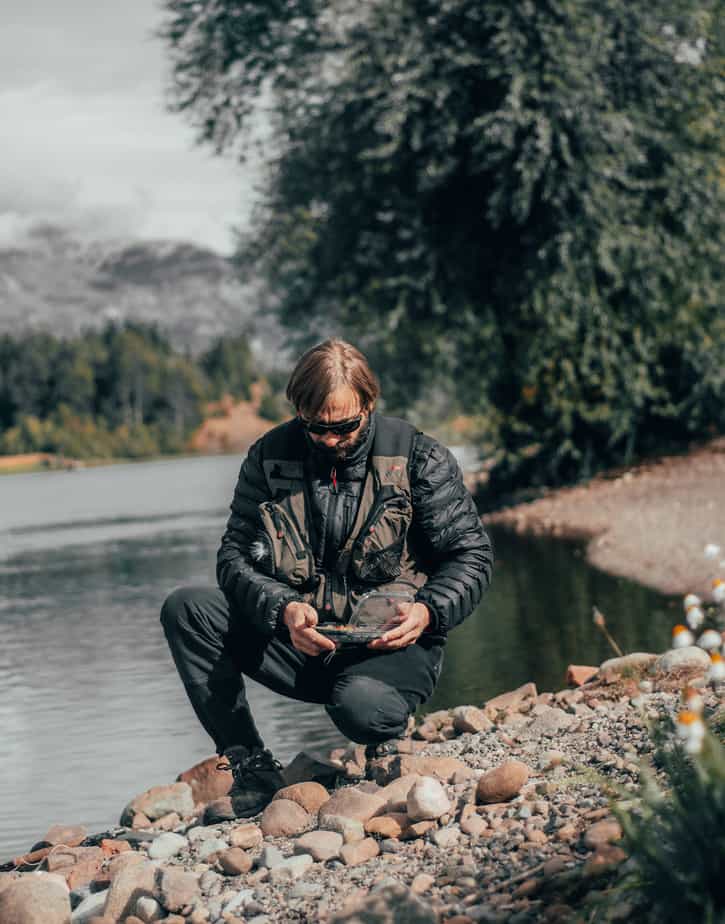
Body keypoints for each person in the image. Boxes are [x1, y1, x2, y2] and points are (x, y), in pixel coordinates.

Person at [161, 339, 493, 818]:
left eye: (345, 427)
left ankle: (386, 738)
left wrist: (428, 611)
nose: (331, 440)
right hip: (303, 644)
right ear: (299, 410)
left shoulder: (419, 457)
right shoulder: (268, 457)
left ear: (369, 403)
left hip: (394, 648)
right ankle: (249, 762)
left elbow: (471, 555)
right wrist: (283, 610)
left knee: (357, 708)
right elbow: (234, 558)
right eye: (316, 428)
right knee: (186, 609)